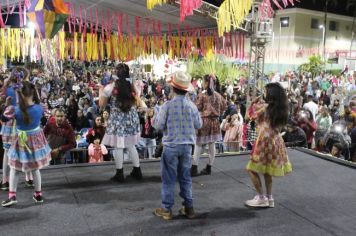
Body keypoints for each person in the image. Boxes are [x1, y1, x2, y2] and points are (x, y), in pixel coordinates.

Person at [153, 71, 202, 220]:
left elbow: (158, 126)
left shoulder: (167, 106)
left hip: (171, 147)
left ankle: (167, 210)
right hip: (187, 147)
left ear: (173, 88)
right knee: (185, 177)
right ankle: (189, 208)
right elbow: (198, 124)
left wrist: (154, 116)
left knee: (168, 179)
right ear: (186, 89)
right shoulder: (192, 106)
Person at [2, 81, 52, 207]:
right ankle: (38, 194)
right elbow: (47, 118)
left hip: (21, 140)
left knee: (15, 168)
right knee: (35, 168)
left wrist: (6, 105)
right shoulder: (40, 107)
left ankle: (12, 195)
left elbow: (3, 119)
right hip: (36, 140)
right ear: (33, 92)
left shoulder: (14, 110)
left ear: (20, 94)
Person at [245, 83, 292, 208]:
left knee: (251, 169)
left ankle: (261, 198)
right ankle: (270, 198)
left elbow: (248, 117)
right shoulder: (283, 109)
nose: (264, 93)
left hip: (263, 141)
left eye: (266, 91)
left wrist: (250, 104)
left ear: (271, 94)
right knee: (267, 170)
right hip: (276, 141)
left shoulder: (265, 108)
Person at [99, 63, 142, 182]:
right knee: (131, 145)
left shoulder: (110, 87)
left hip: (118, 120)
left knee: (118, 146)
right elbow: (138, 101)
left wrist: (101, 91)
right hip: (131, 119)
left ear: (115, 74)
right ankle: (137, 171)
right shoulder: (133, 87)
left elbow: (101, 106)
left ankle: (119, 173)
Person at [191, 75, 227, 176]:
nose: (202, 83)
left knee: (198, 144)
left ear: (207, 83)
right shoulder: (219, 96)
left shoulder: (202, 95)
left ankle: (194, 168)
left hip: (204, 121)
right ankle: (209, 167)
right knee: (212, 144)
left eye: (203, 81)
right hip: (215, 122)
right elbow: (224, 106)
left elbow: (197, 107)